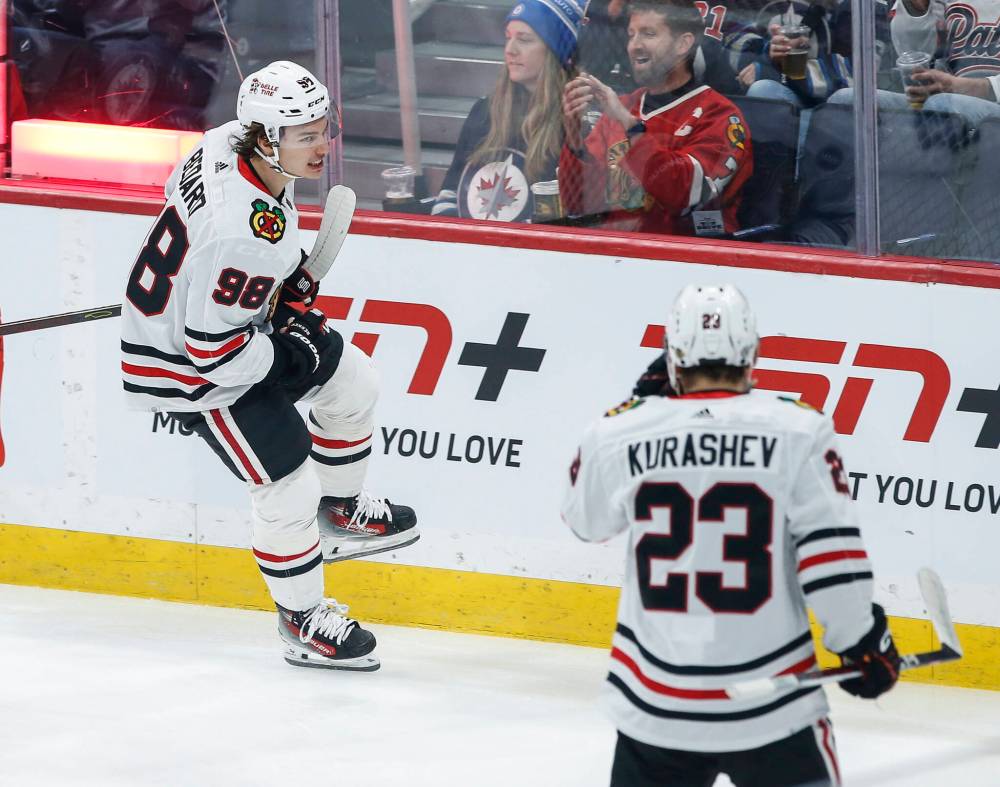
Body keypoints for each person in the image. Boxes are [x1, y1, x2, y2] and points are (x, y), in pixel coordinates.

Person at [120, 61, 419, 672]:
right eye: (303, 135)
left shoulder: (223, 142)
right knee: (286, 481)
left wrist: (276, 291)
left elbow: (229, 263)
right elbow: (215, 353)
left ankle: (338, 514)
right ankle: (302, 618)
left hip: (224, 321)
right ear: (263, 137)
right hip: (189, 368)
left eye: (322, 128)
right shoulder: (243, 234)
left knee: (356, 383)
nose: (321, 146)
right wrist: (285, 349)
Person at [561, 284, 901, 786]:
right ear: (752, 351)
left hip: (657, 705)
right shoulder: (797, 428)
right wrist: (862, 641)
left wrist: (639, 407)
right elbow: (831, 558)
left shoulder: (618, 432)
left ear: (672, 356)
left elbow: (584, 522)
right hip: (773, 703)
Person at [558, 0, 753, 237]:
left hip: (689, 263)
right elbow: (579, 204)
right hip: (614, 256)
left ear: (683, 44)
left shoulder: (721, 117)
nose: (634, 45)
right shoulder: (624, 106)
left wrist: (630, 126)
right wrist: (575, 140)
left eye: (648, 34)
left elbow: (686, 196)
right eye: (631, 35)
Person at [431, 0, 585, 222]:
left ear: (555, 51)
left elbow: (577, 215)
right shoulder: (484, 111)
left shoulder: (575, 120)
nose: (510, 49)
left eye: (524, 40)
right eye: (508, 37)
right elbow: (449, 195)